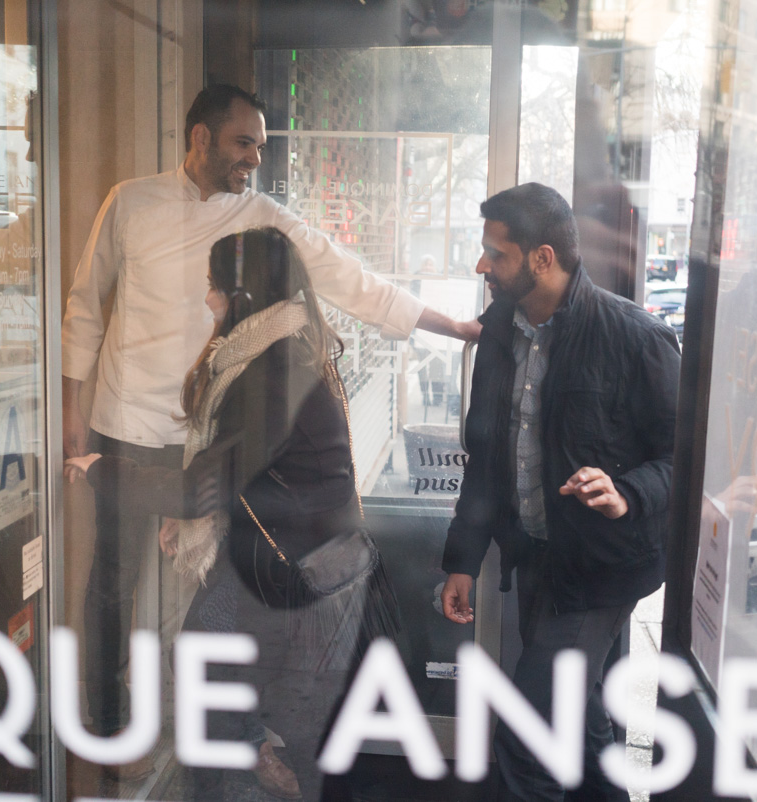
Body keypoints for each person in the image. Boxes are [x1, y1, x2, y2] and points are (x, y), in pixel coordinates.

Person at [61, 83, 475, 774]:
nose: (254, 157)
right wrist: (73, 407)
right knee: (113, 578)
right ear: (200, 138)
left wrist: (453, 326)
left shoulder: (262, 217)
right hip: (125, 414)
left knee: (201, 591)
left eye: (259, 144)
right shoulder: (129, 201)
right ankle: (107, 720)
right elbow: (83, 301)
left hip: (205, 430)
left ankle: (202, 727)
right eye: (243, 142)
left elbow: (351, 279)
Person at [66, 227, 394, 800]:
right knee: (210, 666)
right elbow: (237, 470)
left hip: (289, 570)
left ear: (243, 295)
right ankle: (249, 760)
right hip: (293, 556)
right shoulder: (284, 347)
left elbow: (204, 487)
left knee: (217, 681)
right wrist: (196, 511)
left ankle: (234, 775)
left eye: (215, 287)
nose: (208, 298)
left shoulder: (270, 371)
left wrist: (101, 469)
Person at [438, 183, 681, 801]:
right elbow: (485, 457)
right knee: (576, 712)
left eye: (497, 253)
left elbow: (683, 459)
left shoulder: (635, 337)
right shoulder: (499, 332)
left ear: (542, 259)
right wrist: (463, 560)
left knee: (529, 729)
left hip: (604, 567)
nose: (482, 265)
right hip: (537, 559)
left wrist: (626, 491)